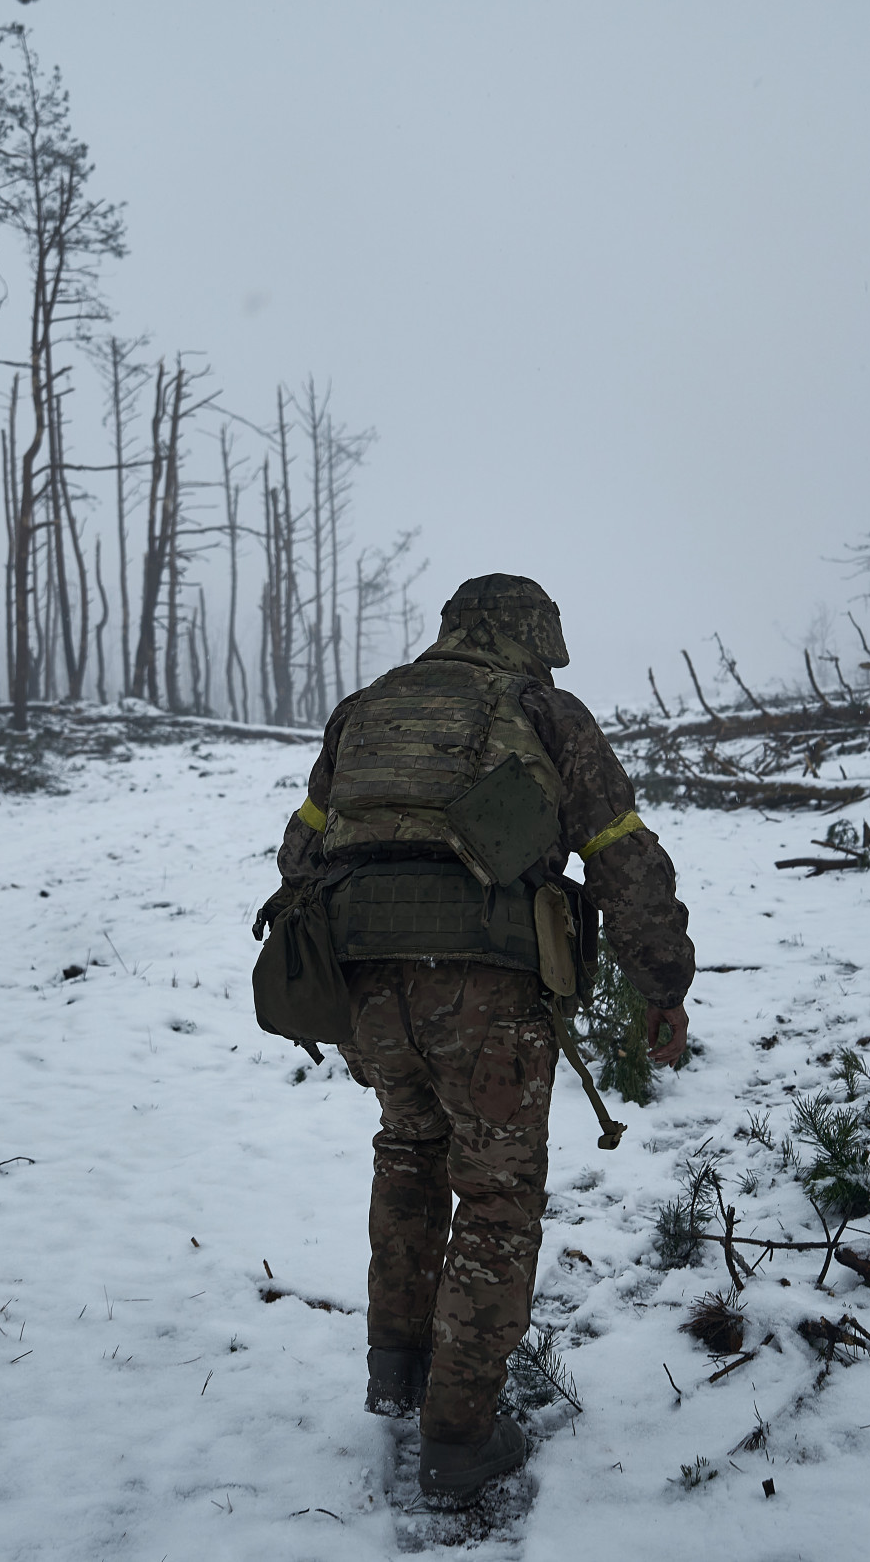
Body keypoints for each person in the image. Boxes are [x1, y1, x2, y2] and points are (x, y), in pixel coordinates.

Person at [271, 573, 695, 1505]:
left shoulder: (365, 710)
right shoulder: (545, 711)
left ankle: (399, 1367)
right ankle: (460, 1436)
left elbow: (301, 853)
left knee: (410, 1152)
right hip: (487, 994)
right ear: (527, 639)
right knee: (498, 1199)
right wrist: (661, 981)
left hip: (367, 993)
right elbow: (620, 851)